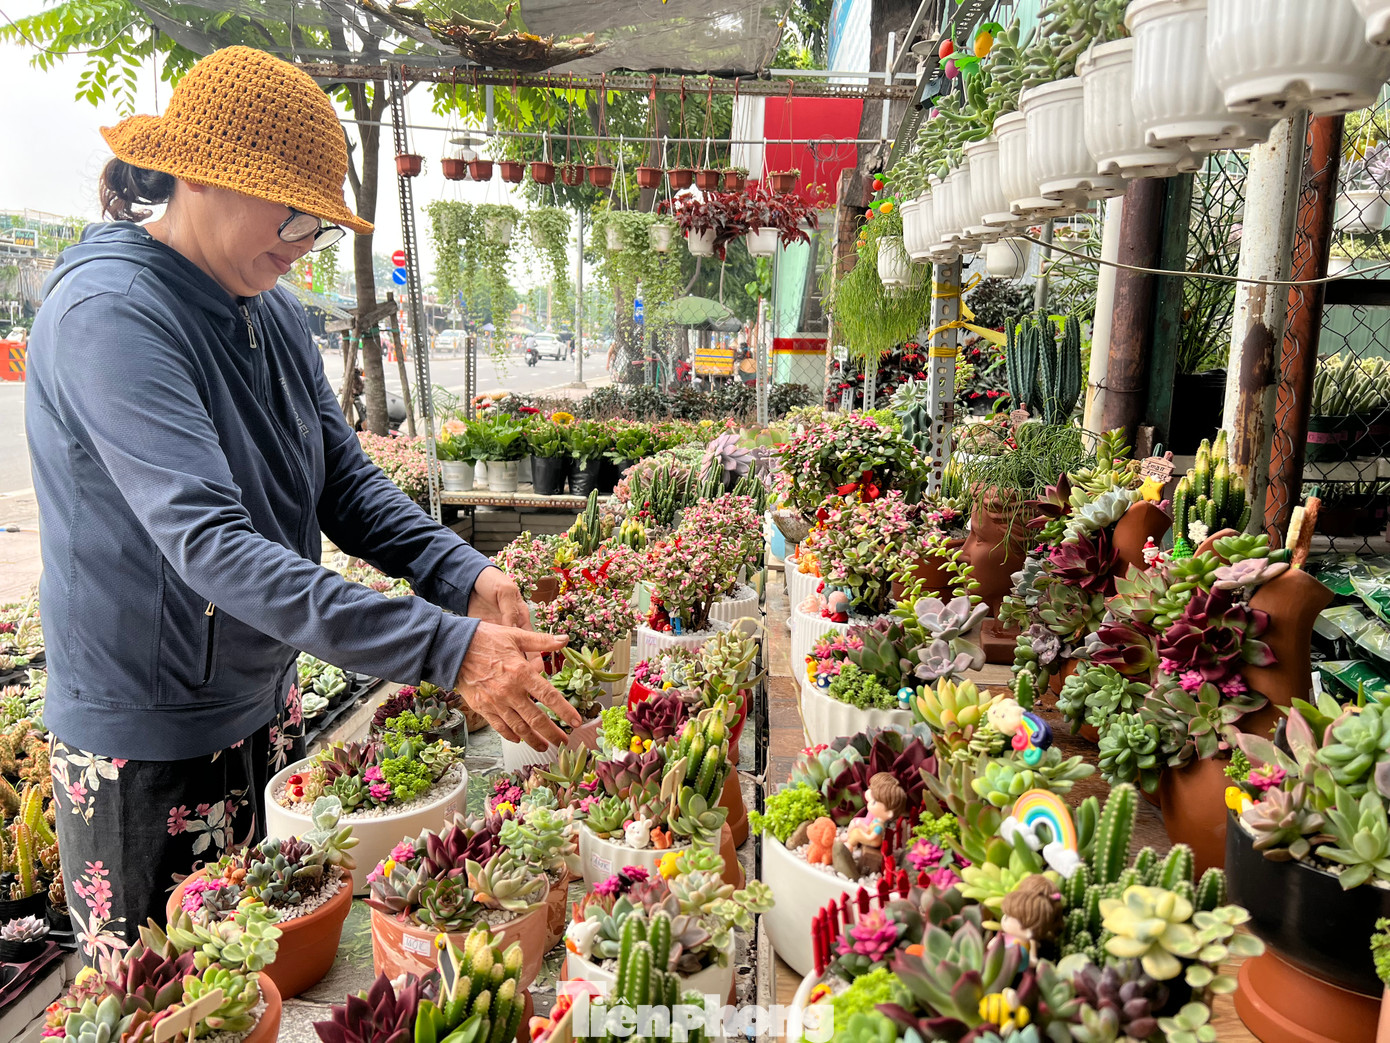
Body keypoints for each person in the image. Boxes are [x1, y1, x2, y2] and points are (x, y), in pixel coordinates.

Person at [25, 46, 577, 962]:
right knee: (172, 996)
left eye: (316, 226)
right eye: (290, 214)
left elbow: (343, 481)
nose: (299, 243)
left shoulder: (269, 307)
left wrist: (462, 572)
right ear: (203, 176)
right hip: (146, 739)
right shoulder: (112, 312)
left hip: (261, 699)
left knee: (263, 969)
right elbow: (209, 544)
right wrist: (445, 646)